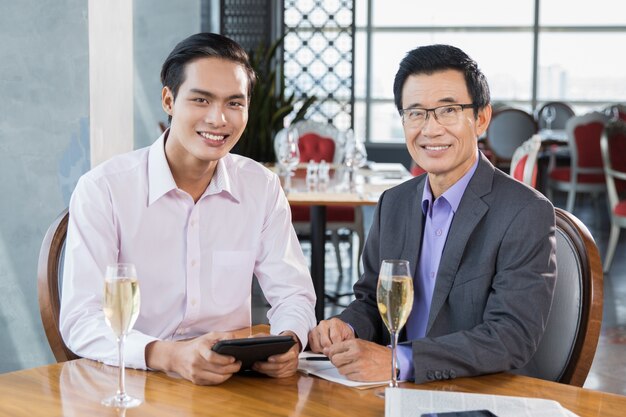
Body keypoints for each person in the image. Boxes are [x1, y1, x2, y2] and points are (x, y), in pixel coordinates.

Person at [60, 33, 316, 385]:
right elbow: (80, 319)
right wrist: (167, 355)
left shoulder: (261, 187)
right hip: (132, 380)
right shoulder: (104, 189)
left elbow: (293, 292)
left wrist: (291, 339)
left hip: (231, 384)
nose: (218, 119)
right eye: (201, 100)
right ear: (169, 99)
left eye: (234, 104)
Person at [308, 44, 557, 383]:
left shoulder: (526, 212)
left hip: (476, 392)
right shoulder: (392, 204)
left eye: (448, 110)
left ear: (481, 118)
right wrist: (346, 326)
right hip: (388, 391)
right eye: (416, 113)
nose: (431, 129)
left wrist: (400, 360)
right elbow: (370, 300)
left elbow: (510, 336)